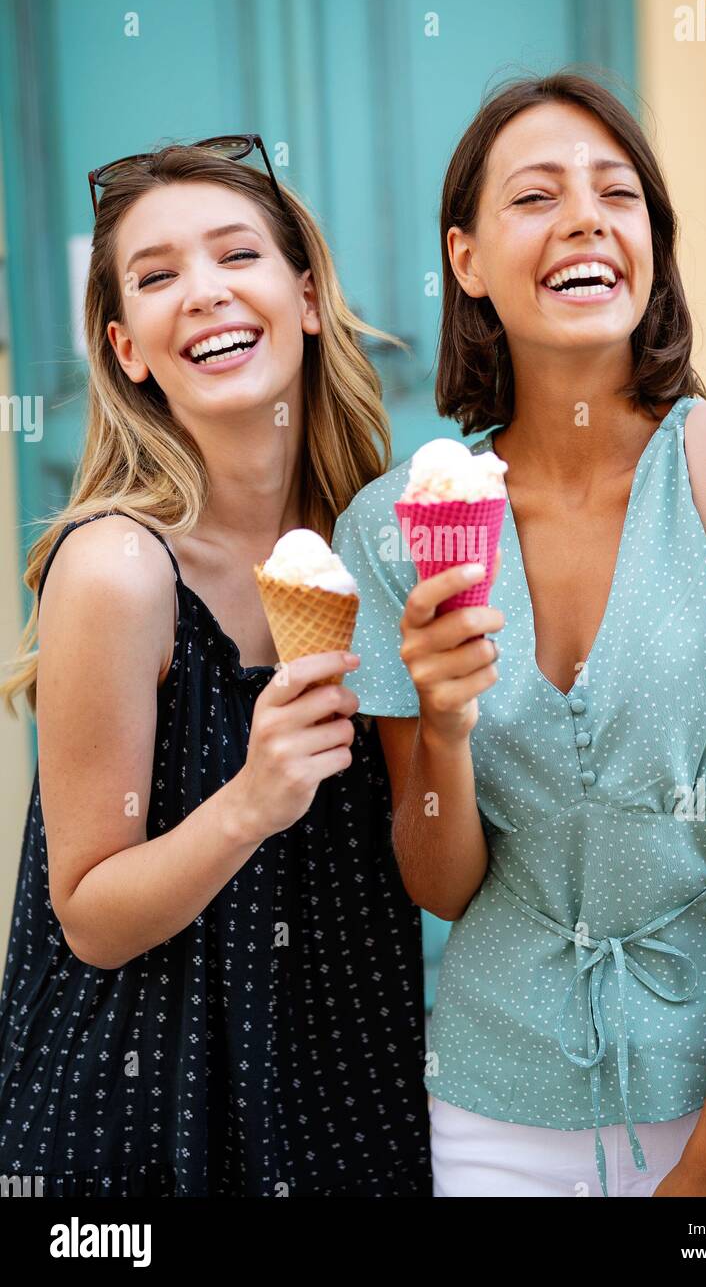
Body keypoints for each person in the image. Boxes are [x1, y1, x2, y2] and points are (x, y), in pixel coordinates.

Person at [332, 72, 706, 1197]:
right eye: (534, 196)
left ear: (649, 248)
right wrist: (440, 722)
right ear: (465, 260)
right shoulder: (397, 529)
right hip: (495, 1117)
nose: (583, 216)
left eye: (615, 193)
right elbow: (439, 879)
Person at [0, 140, 432, 1197]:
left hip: (343, 1092)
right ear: (127, 347)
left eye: (235, 254)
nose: (201, 292)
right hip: (144, 1113)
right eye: (155, 276)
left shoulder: (373, 544)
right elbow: (90, 915)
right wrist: (251, 801)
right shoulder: (117, 569)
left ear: (306, 295)